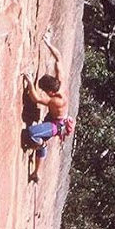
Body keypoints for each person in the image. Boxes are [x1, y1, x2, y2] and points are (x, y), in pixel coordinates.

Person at [22, 35, 73, 179]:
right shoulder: (60, 82)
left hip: (56, 125)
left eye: (45, 91)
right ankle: (36, 173)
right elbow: (58, 58)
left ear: (51, 92)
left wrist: (30, 83)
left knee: (32, 133)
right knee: (38, 133)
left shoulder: (56, 101)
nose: (45, 93)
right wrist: (48, 43)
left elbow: (36, 98)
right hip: (54, 118)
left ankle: (41, 146)